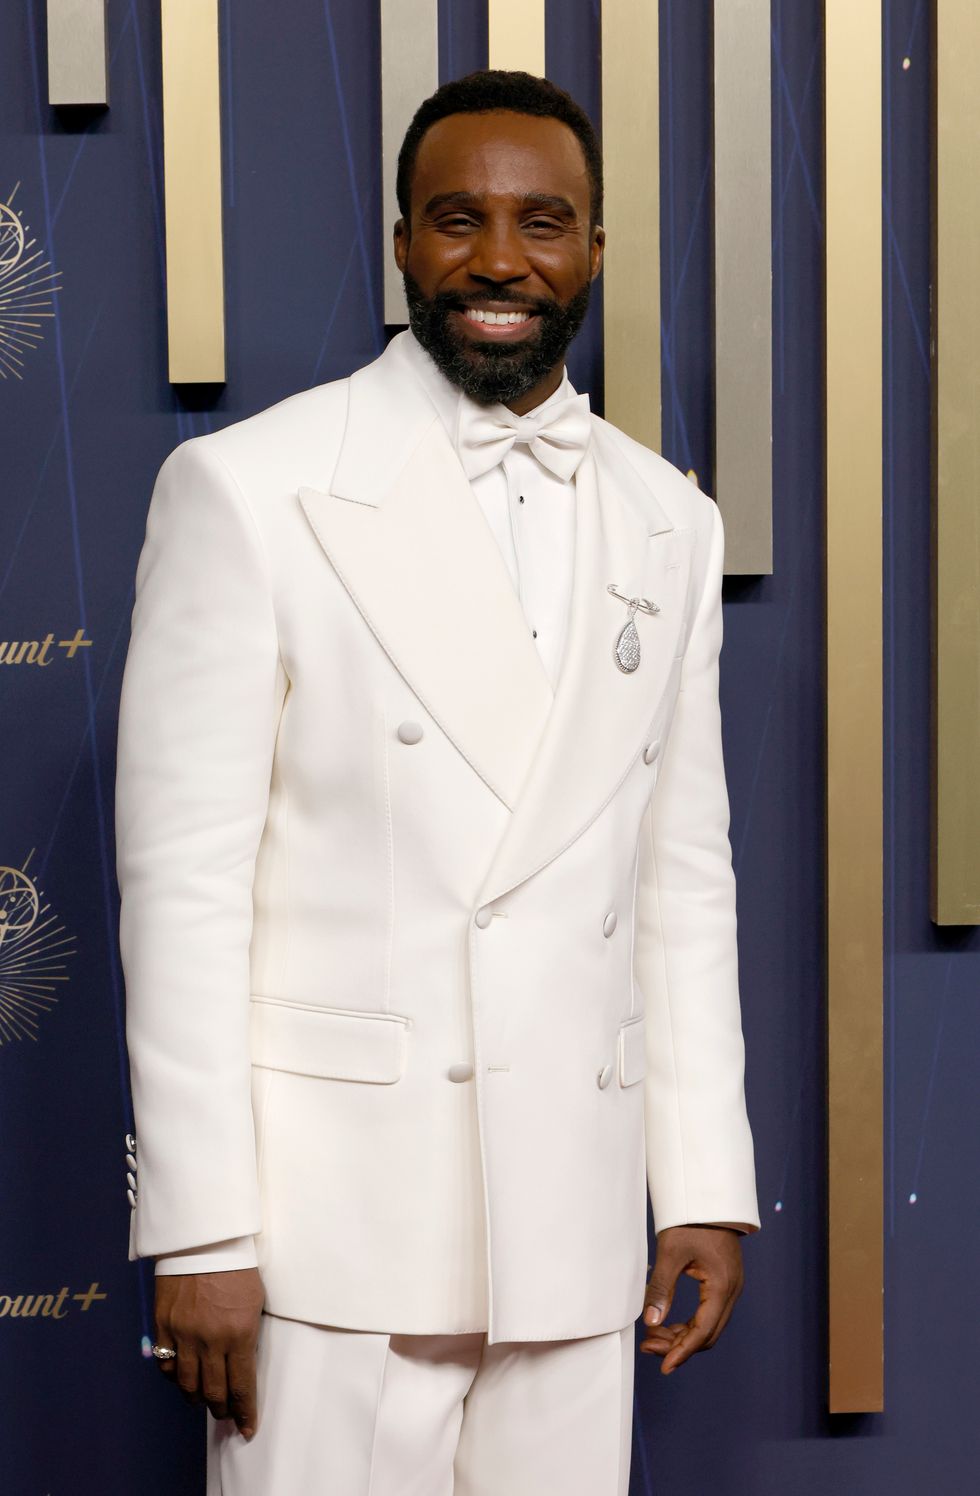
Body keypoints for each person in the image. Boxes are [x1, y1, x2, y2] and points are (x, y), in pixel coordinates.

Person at [116, 69, 759, 1496]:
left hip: (573, 1216)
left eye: (544, 222)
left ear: (596, 249)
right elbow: (184, 890)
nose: (500, 260)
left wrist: (704, 1182)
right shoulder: (252, 489)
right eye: (460, 220)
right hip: (332, 1230)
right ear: (404, 242)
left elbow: (679, 878)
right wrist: (203, 1228)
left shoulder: (672, 519)